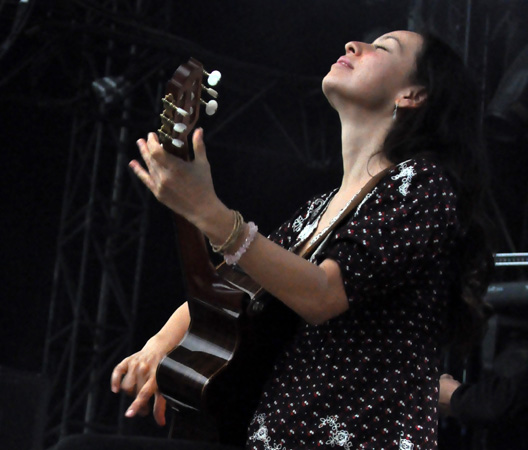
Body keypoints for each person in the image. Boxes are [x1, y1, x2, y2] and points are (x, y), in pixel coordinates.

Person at [99, 29, 494, 450]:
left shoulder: (422, 184)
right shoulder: (316, 211)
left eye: (382, 48)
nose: (352, 46)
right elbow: (233, 286)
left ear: (413, 94)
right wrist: (159, 345)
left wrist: (208, 213)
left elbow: (323, 294)